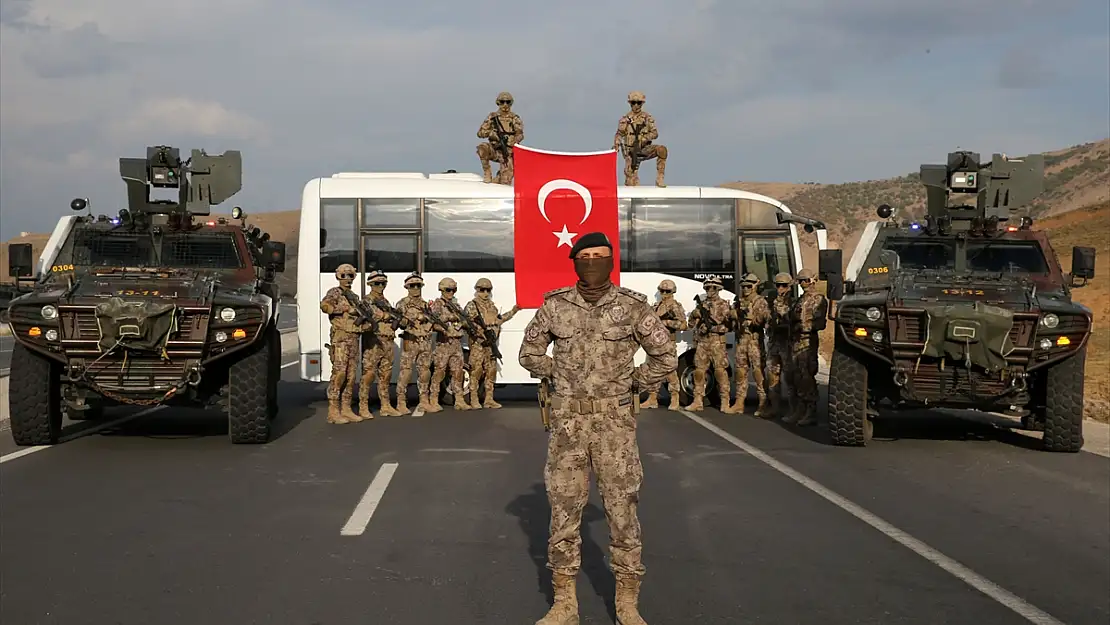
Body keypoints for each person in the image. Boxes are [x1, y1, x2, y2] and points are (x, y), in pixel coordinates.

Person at [519, 231, 676, 625]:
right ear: (574, 261)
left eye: (599, 256)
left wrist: (636, 381)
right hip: (568, 421)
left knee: (622, 510)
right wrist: (559, 371)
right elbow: (529, 353)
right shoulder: (555, 306)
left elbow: (665, 354)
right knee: (564, 510)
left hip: (614, 424)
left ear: (611, 260)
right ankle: (564, 602)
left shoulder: (632, 307)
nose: (592, 263)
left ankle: (626, 601)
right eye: (584, 256)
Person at [318, 263, 367, 424]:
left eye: (350, 276)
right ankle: (333, 410)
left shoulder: (354, 297)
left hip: (353, 338)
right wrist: (344, 308)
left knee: (351, 375)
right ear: (338, 276)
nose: (347, 279)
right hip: (340, 338)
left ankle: (346, 408)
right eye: (343, 276)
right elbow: (325, 306)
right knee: (339, 373)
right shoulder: (335, 293)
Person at [463, 277, 521, 408]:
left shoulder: (492, 307)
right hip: (478, 345)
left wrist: (513, 311)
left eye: (487, 290)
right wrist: (478, 335)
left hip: (490, 345)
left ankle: (489, 399)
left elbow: (499, 320)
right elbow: (467, 324)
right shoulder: (472, 306)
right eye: (482, 290)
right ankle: (474, 399)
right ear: (477, 290)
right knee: (476, 371)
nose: (485, 293)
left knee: (491, 371)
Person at [683, 276, 734, 412]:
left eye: (713, 287)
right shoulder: (702, 305)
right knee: (699, 372)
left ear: (718, 289)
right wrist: (694, 316)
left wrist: (714, 328)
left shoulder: (724, 305)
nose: (710, 290)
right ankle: (697, 401)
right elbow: (690, 325)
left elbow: (730, 326)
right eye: (707, 288)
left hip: (717, 342)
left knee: (720, 372)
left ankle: (725, 401)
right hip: (702, 343)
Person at [785, 268, 827, 426]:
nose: (803, 284)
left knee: (806, 376)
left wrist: (803, 327)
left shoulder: (819, 299)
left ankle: (811, 410)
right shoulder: (800, 300)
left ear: (812, 280)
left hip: (807, 342)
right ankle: (800, 409)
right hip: (795, 342)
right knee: (795, 376)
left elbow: (821, 323)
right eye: (801, 281)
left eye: (806, 280)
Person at [358, 270, 403, 419]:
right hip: (374, 342)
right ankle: (363, 406)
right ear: (370, 284)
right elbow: (368, 315)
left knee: (386, 375)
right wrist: (385, 316)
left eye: (383, 283)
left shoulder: (385, 301)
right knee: (369, 374)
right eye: (377, 283)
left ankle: (385, 405)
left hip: (387, 341)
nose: (380, 286)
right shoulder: (366, 301)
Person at [726, 273, 771, 415]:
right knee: (740, 372)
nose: (745, 289)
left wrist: (754, 320)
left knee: (758, 372)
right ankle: (739, 402)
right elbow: (732, 323)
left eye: (748, 286)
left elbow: (766, 321)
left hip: (754, 341)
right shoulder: (739, 302)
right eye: (743, 286)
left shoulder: (760, 302)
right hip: (741, 340)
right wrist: (733, 315)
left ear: (755, 286)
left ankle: (763, 403)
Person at [427, 277, 474, 412]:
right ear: (441, 290)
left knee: (458, 372)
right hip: (444, 343)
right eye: (448, 290)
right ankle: (434, 400)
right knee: (439, 372)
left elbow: (463, 320)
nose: (451, 293)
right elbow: (432, 322)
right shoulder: (437, 305)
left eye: (454, 290)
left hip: (456, 344)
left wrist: (462, 324)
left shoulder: (456, 306)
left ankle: (459, 400)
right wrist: (445, 325)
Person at [640, 279, 687, 410]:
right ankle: (652, 398)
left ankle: (675, 398)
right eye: (662, 290)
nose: (664, 293)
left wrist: (667, 323)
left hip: (667, 343)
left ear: (673, 292)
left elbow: (683, 324)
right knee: (652, 370)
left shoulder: (675, 306)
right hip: (653, 343)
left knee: (669, 370)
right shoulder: (656, 306)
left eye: (667, 291)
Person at [394, 272, 435, 415]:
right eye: (412, 286)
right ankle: (401, 402)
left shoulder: (426, 305)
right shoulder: (402, 304)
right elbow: (399, 323)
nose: (416, 288)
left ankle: (424, 400)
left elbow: (432, 322)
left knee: (425, 372)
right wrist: (412, 318)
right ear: (407, 287)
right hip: (411, 341)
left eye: (418, 285)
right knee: (406, 372)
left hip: (425, 342)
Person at [612, 91, 668, 187]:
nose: (636, 105)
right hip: (631, 151)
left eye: (639, 103)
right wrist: (616, 144)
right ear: (630, 103)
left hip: (644, 148)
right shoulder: (625, 120)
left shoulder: (647, 118)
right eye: (634, 103)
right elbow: (619, 133)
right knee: (631, 182)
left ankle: (660, 178)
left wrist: (645, 138)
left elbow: (655, 133)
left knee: (662, 150)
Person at [765, 272, 795, 420]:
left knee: (789, 378)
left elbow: (793, 320)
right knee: (772, 376)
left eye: (784, 285)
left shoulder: (793, 302)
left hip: (787, 342)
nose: (780, 288)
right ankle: (774, 408)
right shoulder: (772, 300)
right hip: (774, 341)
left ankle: (793, 410)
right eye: (778, 285)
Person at [477, 91, 524, 184]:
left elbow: (520, 134)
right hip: (494, 149)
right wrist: (491, 134)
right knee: (482, 148)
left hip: (507, 152)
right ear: (498, 103)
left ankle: (498, 178)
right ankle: (487, 172)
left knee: (505, 181)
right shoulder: (492, 117)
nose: (505, 104)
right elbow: (480, 133)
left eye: (508, 102)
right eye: (502, 102)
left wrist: (513, 141)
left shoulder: (514, 118)